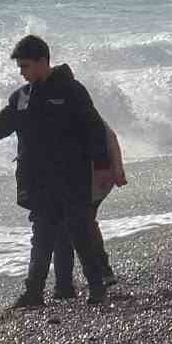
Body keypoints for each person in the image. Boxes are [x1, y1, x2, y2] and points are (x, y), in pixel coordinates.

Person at [0, 35, 113, 308]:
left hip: (72, 177)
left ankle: (96, 287)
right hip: (38, 182)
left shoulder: (72, 91)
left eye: (26, 66)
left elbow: (95, 131)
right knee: (42, 237)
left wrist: (104, 168)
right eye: (20, 67)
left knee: (80, 232)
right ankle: (33, 293)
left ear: (44, 62)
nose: (22, 72)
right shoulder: (21, 98)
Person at [51, 120, 126, 299]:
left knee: (82, 223)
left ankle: (98, 273)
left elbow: (110, 137)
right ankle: (87, 276)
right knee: (79, 223)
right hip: (76, 178)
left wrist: (117, 169)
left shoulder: (80, 110)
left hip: (95, 176)